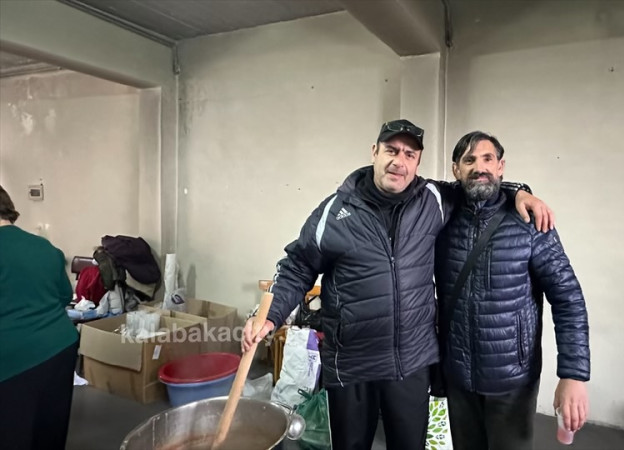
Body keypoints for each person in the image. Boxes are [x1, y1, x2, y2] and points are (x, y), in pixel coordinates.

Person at [242, 119, 554, 450]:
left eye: (409, 154)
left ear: (417, 162)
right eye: (391, 151)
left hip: (411, 363)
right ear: (374, 152)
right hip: (351, 364)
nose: (399, 162)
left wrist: (519, 192)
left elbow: (478, 184)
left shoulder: (433, 199)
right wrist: (271, 314)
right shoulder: (334, 211)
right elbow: (297, 266)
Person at [434, 131, 590, 450]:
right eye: (469, 160)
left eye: (488, 159)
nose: (480, 167)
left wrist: (573, 375)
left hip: (512, 379)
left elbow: (568, 298)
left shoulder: (529, 222)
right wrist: (518, 189)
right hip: (458, 375)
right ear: (456, 170)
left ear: (501, 166)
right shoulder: (441, 217)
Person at [0, 185, 78, 450]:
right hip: (60, 346)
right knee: (49, 429)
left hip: (11, 359)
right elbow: (65, 295)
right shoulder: (44, 247)